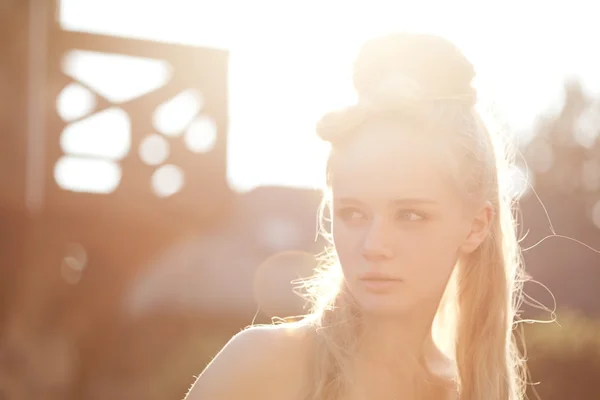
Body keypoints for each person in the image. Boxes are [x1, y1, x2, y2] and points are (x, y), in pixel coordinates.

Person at [185, 31, 528, 400]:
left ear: (476, 226)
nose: (374, 246)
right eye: (353, 213)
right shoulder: (260, 366)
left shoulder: (466, 392)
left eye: (410, 215)